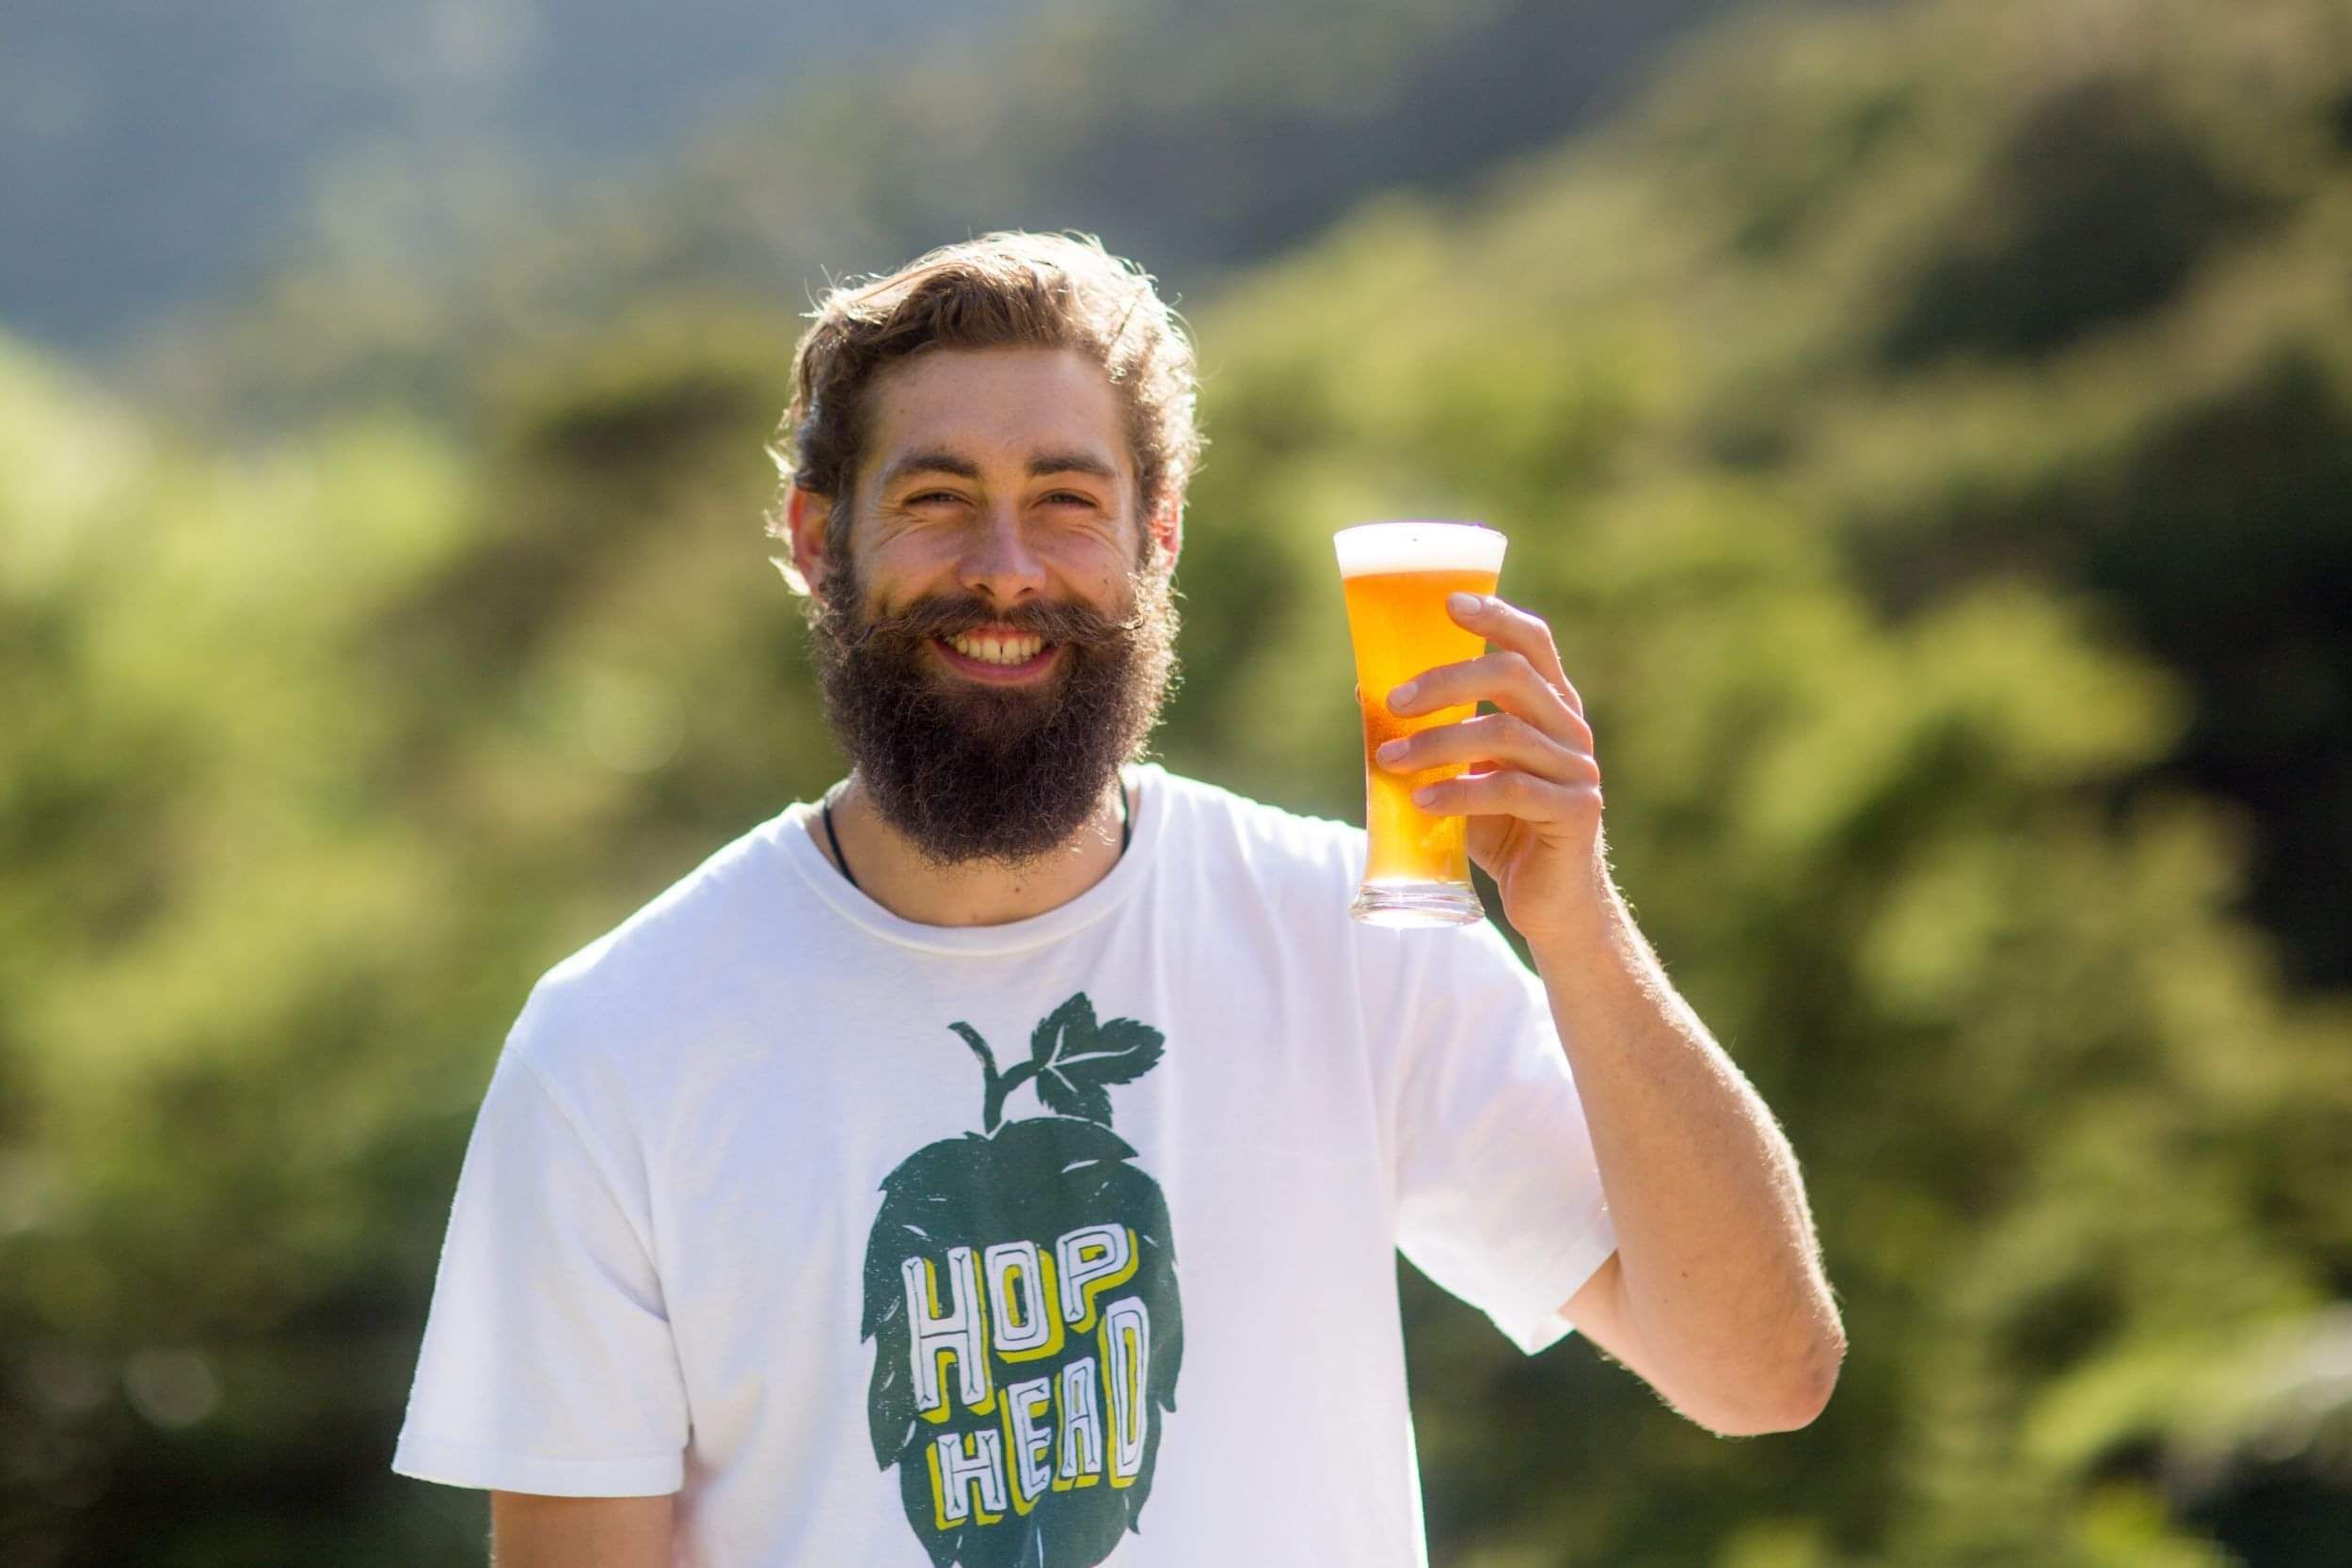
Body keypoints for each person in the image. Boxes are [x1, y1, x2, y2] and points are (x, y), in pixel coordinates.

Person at [392, 231, 1844, 1568]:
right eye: (938, 500)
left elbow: (1760, 1371)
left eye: (1068, 503)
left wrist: (1573, 923)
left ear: (1158, 542)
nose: (1007, 572)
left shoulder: (1347, 939)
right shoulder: (615, 1043)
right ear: (814, 538)